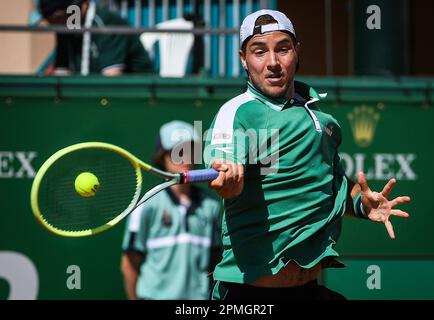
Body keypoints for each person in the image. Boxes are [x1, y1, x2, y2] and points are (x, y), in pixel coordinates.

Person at [203, 9, 411, 300]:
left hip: (309, 289)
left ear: (296, 52)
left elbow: (333, 181)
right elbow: (226, 169)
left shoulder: (318, 117)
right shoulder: (236, 113)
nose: (273, 63)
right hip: (247, 295)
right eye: (259, 52)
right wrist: (229, 180)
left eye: (283, 49)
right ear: (243, 60)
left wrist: (363, 205)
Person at [121, 120, 222, 300]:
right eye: (177, 152)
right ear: (162, 157)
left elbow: (215, 264)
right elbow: (129, 264)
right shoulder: (146, 205)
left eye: (190, 151)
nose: (184, 158)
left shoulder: (211, 206)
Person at [37, 0, 153, 76]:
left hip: (137, 93)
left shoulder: (105, 23)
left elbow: (112, 77)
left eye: (57, 17)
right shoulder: (65, 26)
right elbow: (61, 72)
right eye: (50, 20)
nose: (55, 25)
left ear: (83, 6)